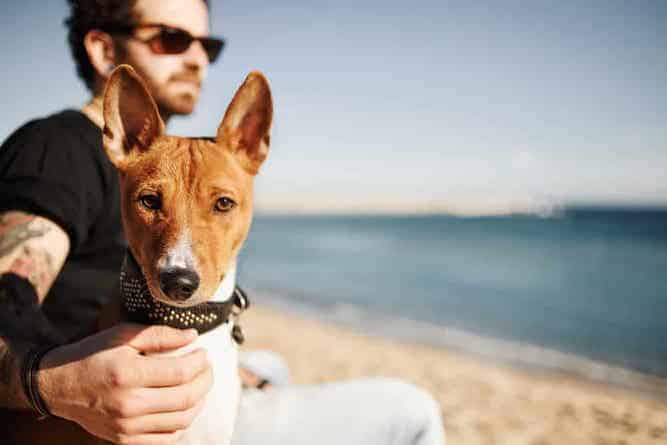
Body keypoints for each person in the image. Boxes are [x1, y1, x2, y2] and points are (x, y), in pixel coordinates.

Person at [0, 0, 446, 444]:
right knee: (414, 411)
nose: (196, 58)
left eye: (207, 46)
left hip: (175, 352)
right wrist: (54, 386)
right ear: (101, 50)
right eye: (170, 39)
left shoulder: (187, 159)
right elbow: (7, 299)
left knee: (273, 367)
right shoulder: (55, 149)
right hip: (120, 397)